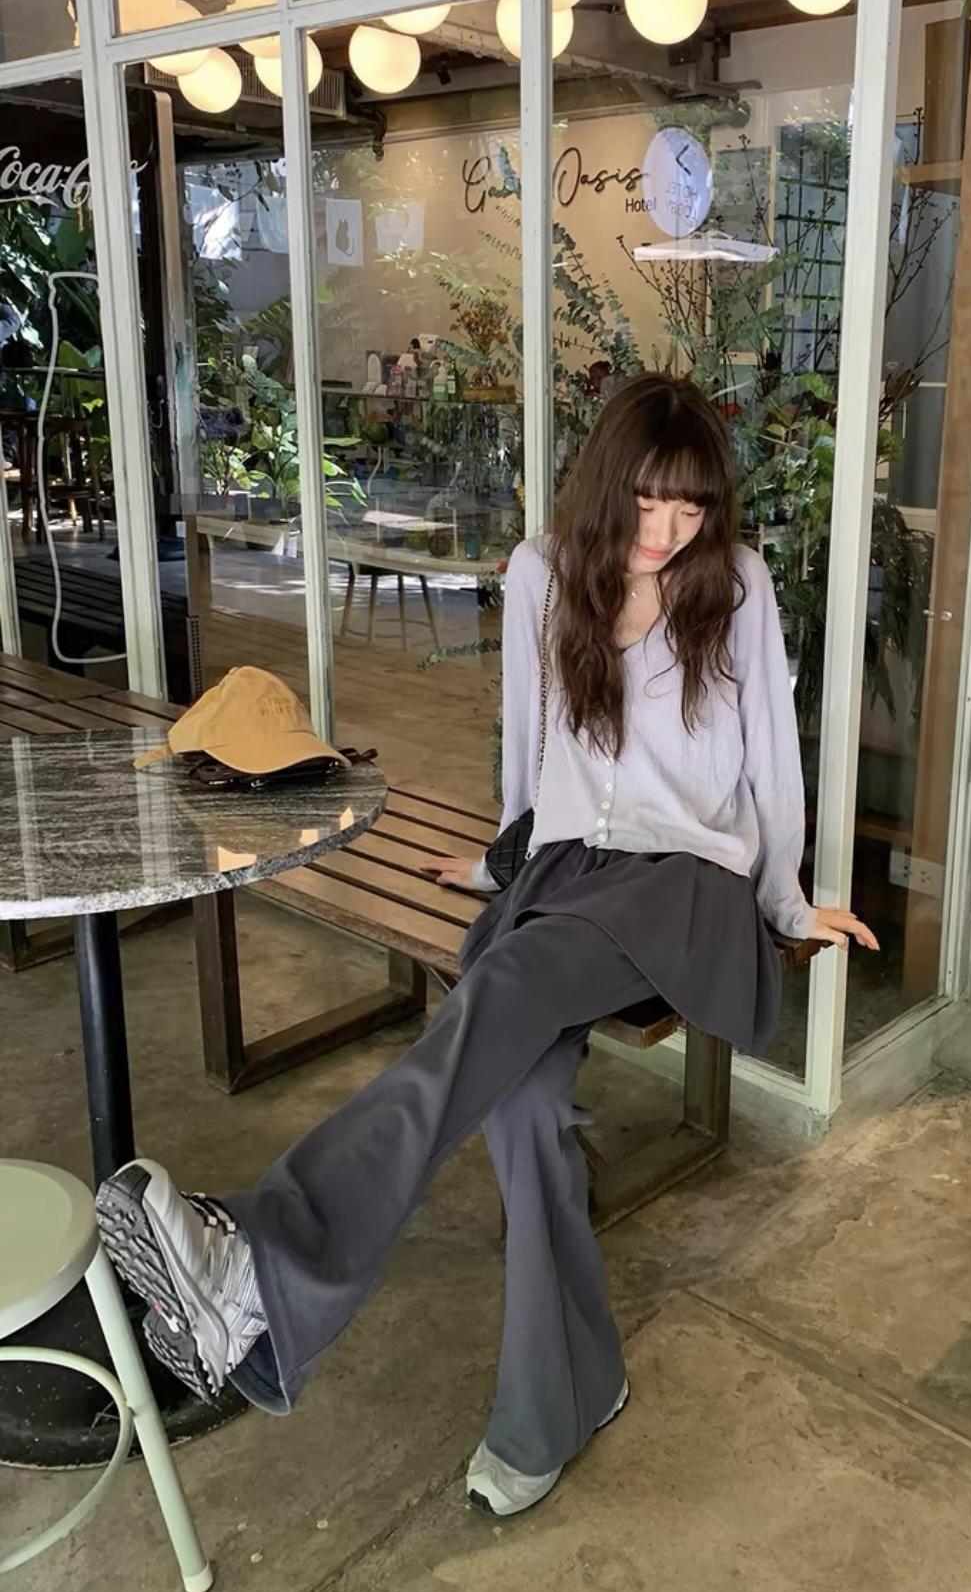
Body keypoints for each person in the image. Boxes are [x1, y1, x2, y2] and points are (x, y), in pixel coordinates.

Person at [95, 374, 878, 1518]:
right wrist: (503, 861)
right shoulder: (541, 573)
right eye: (648, 499)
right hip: (569, 873)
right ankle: (562, 1399)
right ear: (607, 483)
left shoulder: (739, 587)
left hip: (688, 884)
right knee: (524, 1105)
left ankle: (263, 1258)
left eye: (692, 507)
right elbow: (533, 746)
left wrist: (791, 902)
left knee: (504, 981)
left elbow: (773, 760)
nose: (667, 529)